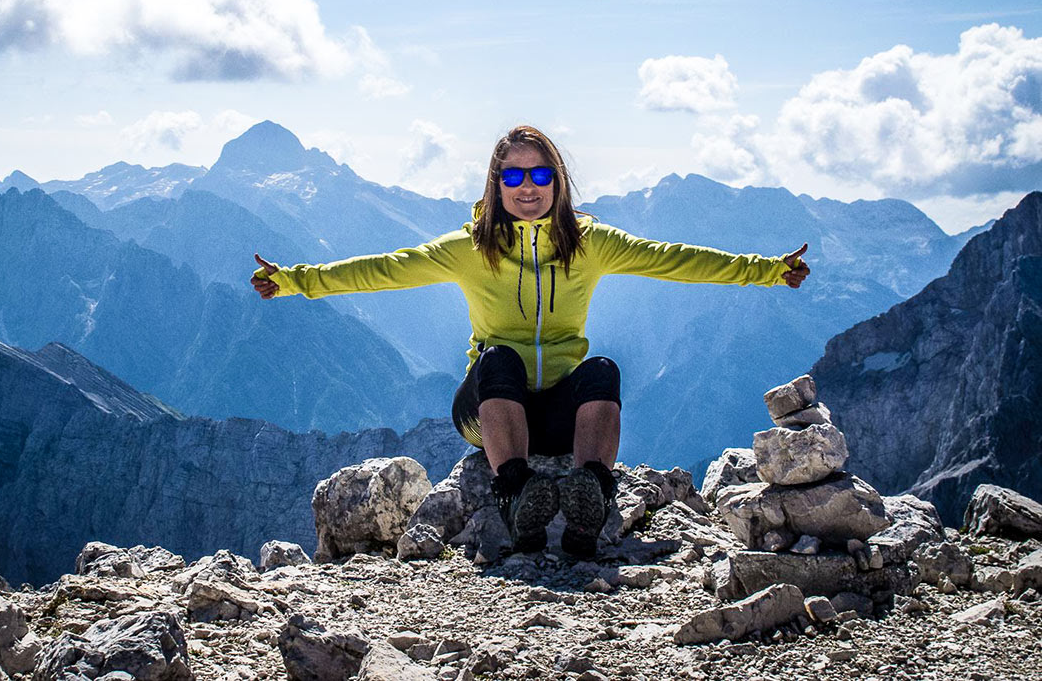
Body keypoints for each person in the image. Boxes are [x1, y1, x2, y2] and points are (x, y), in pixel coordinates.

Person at [251, 125, 810, 558]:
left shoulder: (590, 244)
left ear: (557, 182)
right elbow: (383, 269)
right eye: (514, 177)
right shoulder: (471, 247)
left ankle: (591, 493)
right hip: (488, 408)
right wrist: (295, 280)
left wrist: (765, 270)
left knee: (603, 371)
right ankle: (516, 494)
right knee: (500, 360)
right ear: (495, 185)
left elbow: (675, 260)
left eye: (540, 177)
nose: (527, 188)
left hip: (557, 413)